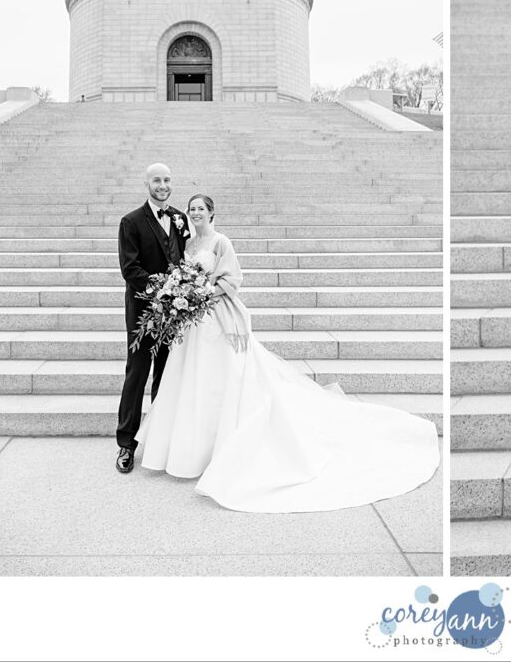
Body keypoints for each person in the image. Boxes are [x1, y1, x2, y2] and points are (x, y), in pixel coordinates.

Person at [134, 194, 440, 512]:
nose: (196, 213)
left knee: (221, 381)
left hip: (218, 320)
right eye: (192, 209)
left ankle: (224, 444)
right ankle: (193, 448)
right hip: (194, 324)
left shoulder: (221, 242)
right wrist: (184, 293)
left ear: (212, 213)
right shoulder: (187, 244)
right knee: (197, 382)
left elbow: (233, 279)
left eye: (201, 209)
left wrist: (203, 291)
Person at [115, 163, 190, 473]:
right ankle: (126, 444)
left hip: (174, 313)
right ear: (146, 184)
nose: (163, 185)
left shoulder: (180, 219)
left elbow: (184, 260)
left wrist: (183, 292)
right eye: (157, 180)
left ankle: (158, 440)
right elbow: (130, 269)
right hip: (142, 312)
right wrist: (163, 290)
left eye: (167, 179)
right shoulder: (131, 222)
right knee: (137, 374)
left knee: (166, 374)